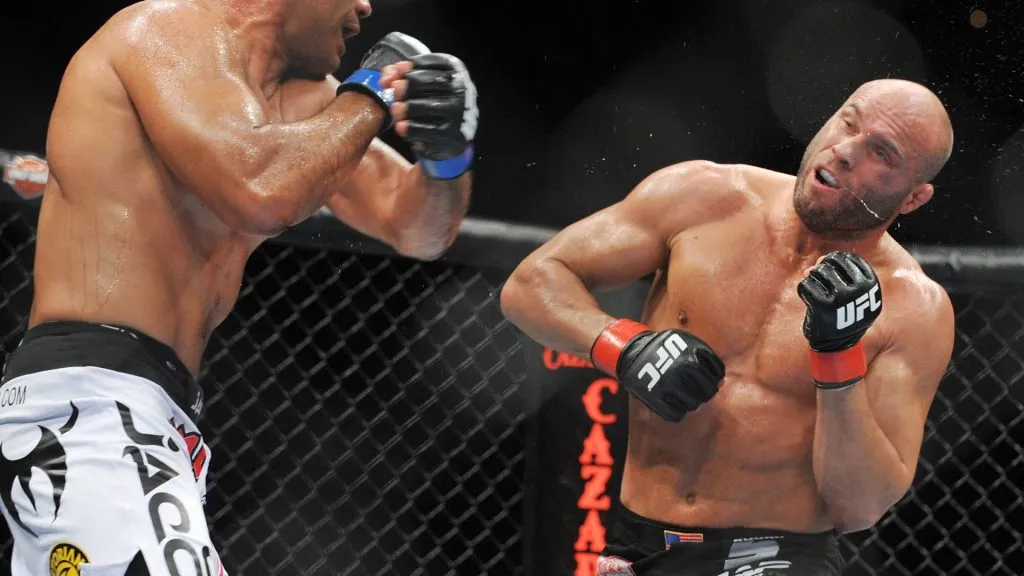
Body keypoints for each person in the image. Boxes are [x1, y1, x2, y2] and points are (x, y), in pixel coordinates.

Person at [0, 0, 478, 573]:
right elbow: (261, 190)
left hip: (159, 418)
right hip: (91, 405)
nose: (364, 8)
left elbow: (419, 228)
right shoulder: (162, 32)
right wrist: (375, 90)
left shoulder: (307, 104)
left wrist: (447, 154)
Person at [501, 78, 955, 575]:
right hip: (636, 543)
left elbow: (860, 506)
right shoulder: (704, 196)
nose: (844, 150)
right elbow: (530, 284)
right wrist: (624, 347)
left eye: (880, 153)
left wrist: (837, 357)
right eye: (847, 122)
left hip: (775, 555)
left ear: (913, 198)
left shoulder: (914, 306)